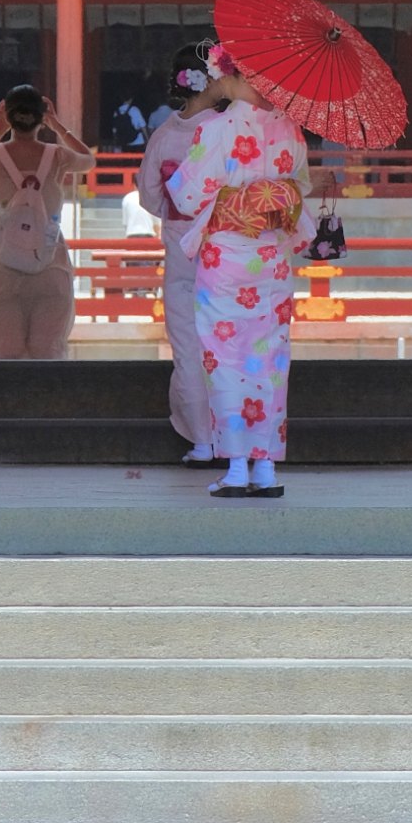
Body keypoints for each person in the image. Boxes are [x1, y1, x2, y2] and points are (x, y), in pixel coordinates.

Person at [164, 43, 310, 497]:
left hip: (226, 257)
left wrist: (181, 177)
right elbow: (297, 189)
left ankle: (235, 469)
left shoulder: (218, 128)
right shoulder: (291, 130)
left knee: (225, 360)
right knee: (270, 359)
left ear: (230, 75)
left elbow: (187, 197)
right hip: (271, 258)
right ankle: (265, 467)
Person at [134, 46, 224, 464]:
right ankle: (236, 439)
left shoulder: (165, 135)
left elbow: (151, 199)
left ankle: (201, 440)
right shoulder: (228, 130)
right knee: (229, 347)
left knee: (188, 347)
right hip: (229, 254)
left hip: (180, 250)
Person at [0, 85, 94, 359]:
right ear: (41, 116)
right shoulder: (57, 156)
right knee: (46, 351)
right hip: (49, 261)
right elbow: (89, 160)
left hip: (1, 265)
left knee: (2, 352)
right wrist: (58, 126)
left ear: (8, 115)